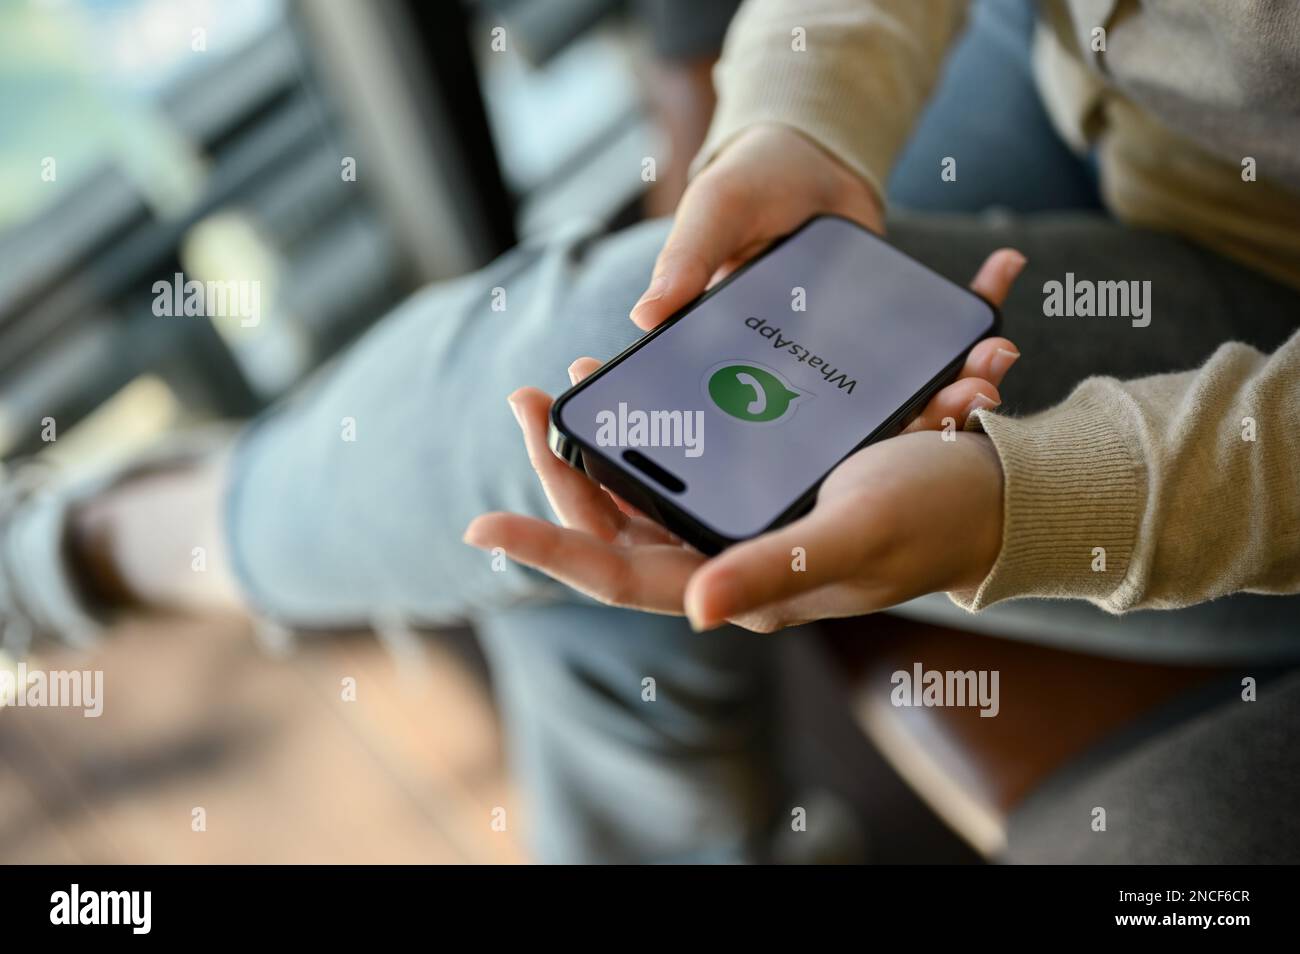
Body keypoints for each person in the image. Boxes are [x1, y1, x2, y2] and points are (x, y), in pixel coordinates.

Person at [3, 0, 1299, 863]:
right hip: (1055, 60)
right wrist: (793, 117)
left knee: (574, 409)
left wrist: (1025, 503)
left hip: (1268, 301)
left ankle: (88, 545)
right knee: (603, 494)